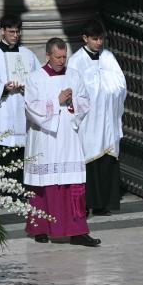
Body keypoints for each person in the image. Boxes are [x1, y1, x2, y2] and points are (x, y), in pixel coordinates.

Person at [23, 37, 100, 247]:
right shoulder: (34, 78)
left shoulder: (74, 76)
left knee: (73, 185)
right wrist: (56, 102)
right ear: (47, 55)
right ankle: (41, 228)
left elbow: (85, 101)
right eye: (57, 57)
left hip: (69, 137)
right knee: (44, 185)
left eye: (64, 56)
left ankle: (77, 232)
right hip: (45, 139)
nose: (61, 60)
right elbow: (31, 107)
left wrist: (72, 102)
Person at [67, 19, 126, 216]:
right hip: (89, 121)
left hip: (108, 117)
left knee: (107, 159)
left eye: (101, 39)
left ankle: (103, 204)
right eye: (94, 39)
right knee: (89, 160)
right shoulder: (76, 61)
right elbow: (77, 90)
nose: (99, 43)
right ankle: (86, 203)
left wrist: (106, 86)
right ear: (85, 38)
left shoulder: (108, 57)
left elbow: (120, 83)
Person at [0, 15, 40, 177]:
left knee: (19, 163)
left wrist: (28, 87)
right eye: (11, 31)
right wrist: (2, 88)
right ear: (2, 31)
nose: (15, 35)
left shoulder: (28, 55)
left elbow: (39, 84)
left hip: (21, 116)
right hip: (0, 117)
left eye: (18, 32)